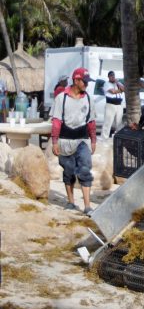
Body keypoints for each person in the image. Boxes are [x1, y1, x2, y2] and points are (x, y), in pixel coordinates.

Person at [50, 67, 97, 213]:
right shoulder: (61, 98)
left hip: (82, 140)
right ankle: (71, 202)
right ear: (76, 80)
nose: (87, 84)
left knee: (85, 169)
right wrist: (54, 142)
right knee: (69, 171)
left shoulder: (88, 99)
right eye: (84, 81)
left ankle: (88, 206)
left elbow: (91, 122)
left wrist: (94, 140)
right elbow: (56, 122)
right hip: (65, 141)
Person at [101, 71, 125, 139]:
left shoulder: (118, 83)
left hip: (119, 105)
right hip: (110, 104)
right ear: (108, 77)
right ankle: (104, 138)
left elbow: (124, 89)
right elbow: (113, 92)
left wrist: (117, 83)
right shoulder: (106, 84)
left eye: (113, 75)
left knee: (119, 123)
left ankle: (119, 138)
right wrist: (121, 90)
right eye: (111, 76)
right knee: (107, 123)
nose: (113, 77)